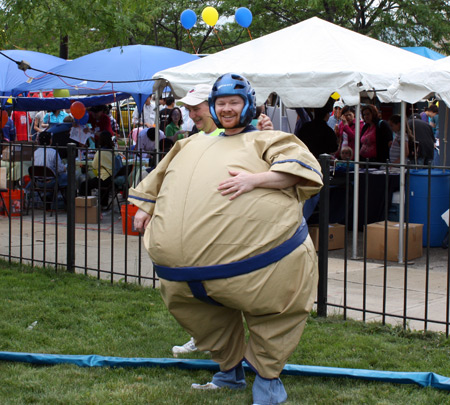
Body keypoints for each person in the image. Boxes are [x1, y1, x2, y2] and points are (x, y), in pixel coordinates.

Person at [128, 73, 323, 405]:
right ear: (214, 107)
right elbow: (158, 176)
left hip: (265, 266)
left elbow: (304, 171)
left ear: (248, 104)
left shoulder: (269, 139)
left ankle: (267, 377)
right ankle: (229, 371)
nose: (228, 109)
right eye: (222, 103)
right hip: (186, 275)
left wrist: (255, 180)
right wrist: (145, 205)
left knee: (275, 310)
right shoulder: (190, 143)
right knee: (201, 315)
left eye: (234, 102)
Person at [78, 131, 117, 209]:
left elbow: (94, 165)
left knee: (84, 185)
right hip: (113, 177)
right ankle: (104, 203)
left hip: (104, 177)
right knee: (98, 182)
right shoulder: (114, 150)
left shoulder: (100, 152)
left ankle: (87, 205)